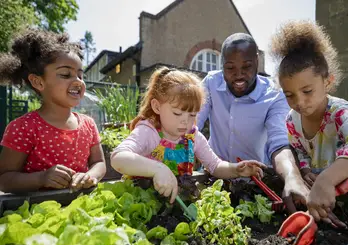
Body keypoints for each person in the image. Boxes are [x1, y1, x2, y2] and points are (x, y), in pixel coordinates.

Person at [270, 20, 348, 224]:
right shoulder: (292, 121)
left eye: (307, 91)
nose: (299, 102)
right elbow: (299, 150)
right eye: (289, 95)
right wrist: (306, 171)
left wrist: (327, 179)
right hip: (316, 192)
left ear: (327, 82)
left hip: (347, 190)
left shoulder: (339, 113)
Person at [111, 67, 266, 203]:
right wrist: (158, 169)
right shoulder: (149, 132)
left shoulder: (192, 136)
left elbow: (214, 165)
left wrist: (236, 169)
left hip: (176, 205)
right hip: (141, 204)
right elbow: (118, 157)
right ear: (157, 107)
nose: (185, 122)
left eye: (192, 115)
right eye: (177, 113)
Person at [197, 33, 309, 212]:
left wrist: (292, 177)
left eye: (247, 67)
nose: (238, 75)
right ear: (222, 65)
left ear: (257, 62)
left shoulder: (274, 95)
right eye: (230, 68)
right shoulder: (211, 84)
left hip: (254, 183)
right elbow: (190, 126)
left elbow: (279, 144)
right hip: (214, 178)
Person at [0, 29, 106, 193]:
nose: (78, 81)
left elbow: (99, 163)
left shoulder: (89, 124)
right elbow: (4, 180)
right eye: (65, 74)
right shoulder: (23, 127)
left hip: (83, 210)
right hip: (38, 214)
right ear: (38, 82)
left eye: (80, 75)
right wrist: (41, 178)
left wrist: (91, 176)